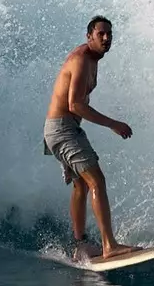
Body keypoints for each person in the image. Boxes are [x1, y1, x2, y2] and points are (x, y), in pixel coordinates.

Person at [43, 15, 137, 261]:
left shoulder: (91, 58)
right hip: (63, 129)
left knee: (82, 184)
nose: (106, 39)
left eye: (109, 34)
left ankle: (81, 244)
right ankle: (109, 245)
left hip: (61, 129)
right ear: (89, 36)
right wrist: (113, 124)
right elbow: (75, 104)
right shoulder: (82, 60)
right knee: (97, 181)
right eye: (100, 34)